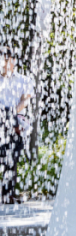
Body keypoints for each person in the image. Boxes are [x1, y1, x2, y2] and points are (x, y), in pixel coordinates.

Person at [0, 46, 35, 204]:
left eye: (7, 59)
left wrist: (11, 112)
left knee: (11, 159)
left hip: (14, 117)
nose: (5, 63)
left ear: (13, 60)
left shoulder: (24, 80)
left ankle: (8, 194)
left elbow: (25, 100)